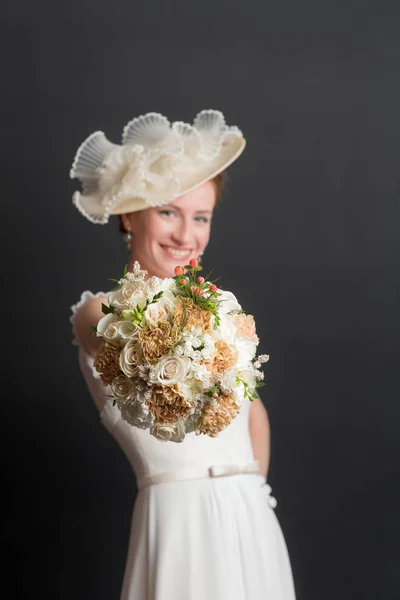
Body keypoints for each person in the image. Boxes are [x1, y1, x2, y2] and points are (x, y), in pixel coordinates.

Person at [69, 109, 296, 599]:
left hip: (249, 514)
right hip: (179, 521)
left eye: (201, 217)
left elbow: (252, 414)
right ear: (129, 212)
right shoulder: (97, 312)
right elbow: (157, 370)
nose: (185, 236)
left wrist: (250, 493)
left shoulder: (210, 310)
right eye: (168, 211)